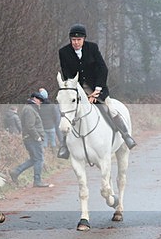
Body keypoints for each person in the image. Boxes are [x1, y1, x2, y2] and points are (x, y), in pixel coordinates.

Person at [57, 24, 136, 159]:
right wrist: (81, 93)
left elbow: (102, 69)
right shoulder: (63, 52)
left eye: (79, 40)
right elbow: (67, 74)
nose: (76, 42)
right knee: (68, 114)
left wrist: (97, 91)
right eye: (73, 40)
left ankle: (125, 135)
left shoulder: (92, 48)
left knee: (110, 108)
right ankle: (65, 146)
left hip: (96, 87)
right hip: (77, 89)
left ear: (84, 39)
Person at [10, 93, 51, 188]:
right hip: (32, 139)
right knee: (39, 159)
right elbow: (30, 126)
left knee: (34, 159)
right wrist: (37, 137)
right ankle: (37, 181)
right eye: (39, 100)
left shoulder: (30, 108)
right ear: (35, 99)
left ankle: (16, 172)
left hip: (30, 138)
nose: (40, 102)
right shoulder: (29, 109)